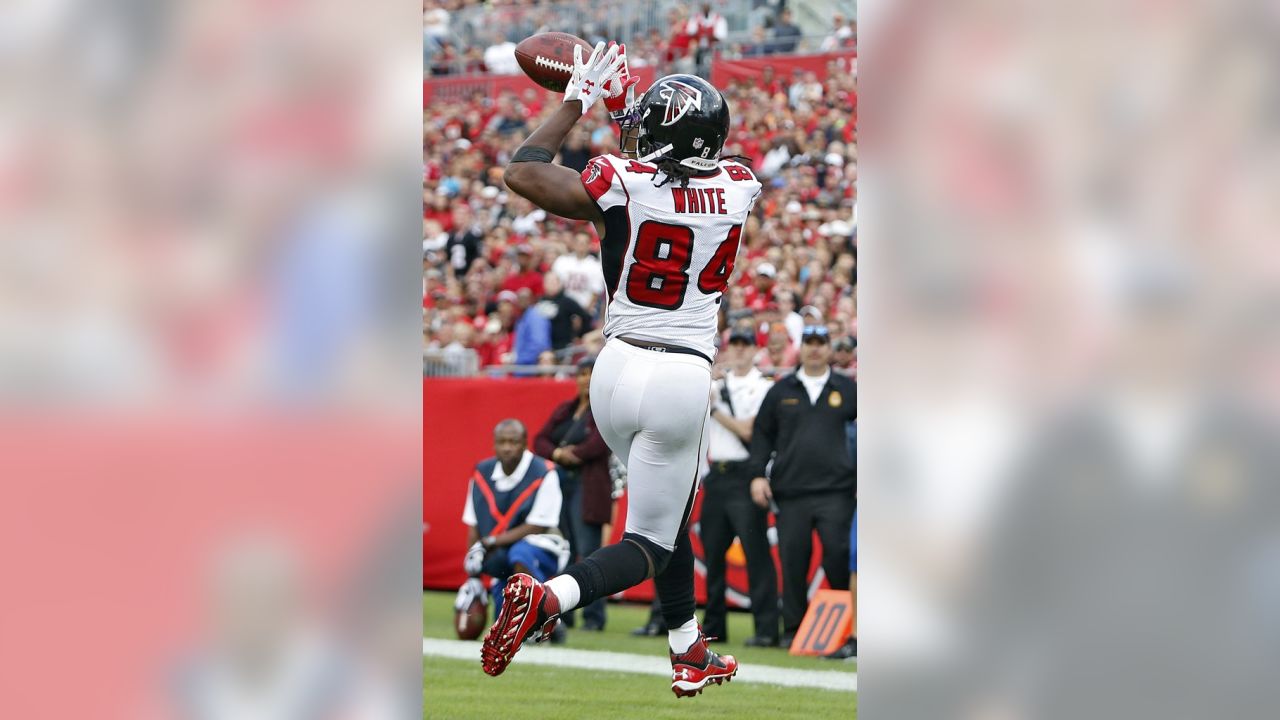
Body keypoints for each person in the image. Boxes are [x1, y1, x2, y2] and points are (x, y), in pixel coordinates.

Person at [480, 42, 761, 699]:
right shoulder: (740, 186)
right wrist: (629, 113)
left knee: (667, 517)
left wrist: (581, 101)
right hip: (679, 378)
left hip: (614, 369)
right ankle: (548, 598)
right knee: (649, 542)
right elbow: (669, 164)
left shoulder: (620, 183)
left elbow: (525, 173)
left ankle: (688, 649)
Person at [748, 325, 856, 647]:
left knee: (838, 558)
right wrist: (756, 474)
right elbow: (761, 435)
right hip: (791, 491)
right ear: (802, 347)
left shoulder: (847, 388)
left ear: (829, 348)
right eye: (809, 343)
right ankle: (794, 629)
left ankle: (844, 629)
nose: (814, 349)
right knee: (793, 560)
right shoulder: (781, 390)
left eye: (820, 343)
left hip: (836, 491)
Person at [701, 329, 780, 646]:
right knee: (713, 555)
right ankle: (714, 625)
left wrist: (716, 409)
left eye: (745, 345)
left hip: (743, 473)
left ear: (755, 350)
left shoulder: (761, 386)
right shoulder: (715, 384)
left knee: (756, 553)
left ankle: (766, 628)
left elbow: (749, 431)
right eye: (735, 345)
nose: (739, 351)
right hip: (716, 473)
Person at [462, 420, 570, 641]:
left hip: (546, 545)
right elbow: (473, 524)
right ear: (494, 445)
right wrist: (473, 571)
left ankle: (549, 615)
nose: (507, 447)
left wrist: (490, 542)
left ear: (524, 444)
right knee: (496, 567)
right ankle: (514, 626)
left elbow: (537, 525)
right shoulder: (482, 473)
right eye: (502, 442)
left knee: (519, 554)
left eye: (513, 442)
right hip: (502, 546)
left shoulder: (544, 471)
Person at [532, 357, 613, 631]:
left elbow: (598, 445)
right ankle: (563, 612)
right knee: (564, 550)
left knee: (588, 551)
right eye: (581, 373)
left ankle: (594, 616)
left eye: (591, 374)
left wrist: (571, 454)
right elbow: (539, 440)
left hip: (587, 487)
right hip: (561, 485)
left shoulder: (605, 410)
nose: (585, 379)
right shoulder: (565, 410)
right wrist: (557, 454)